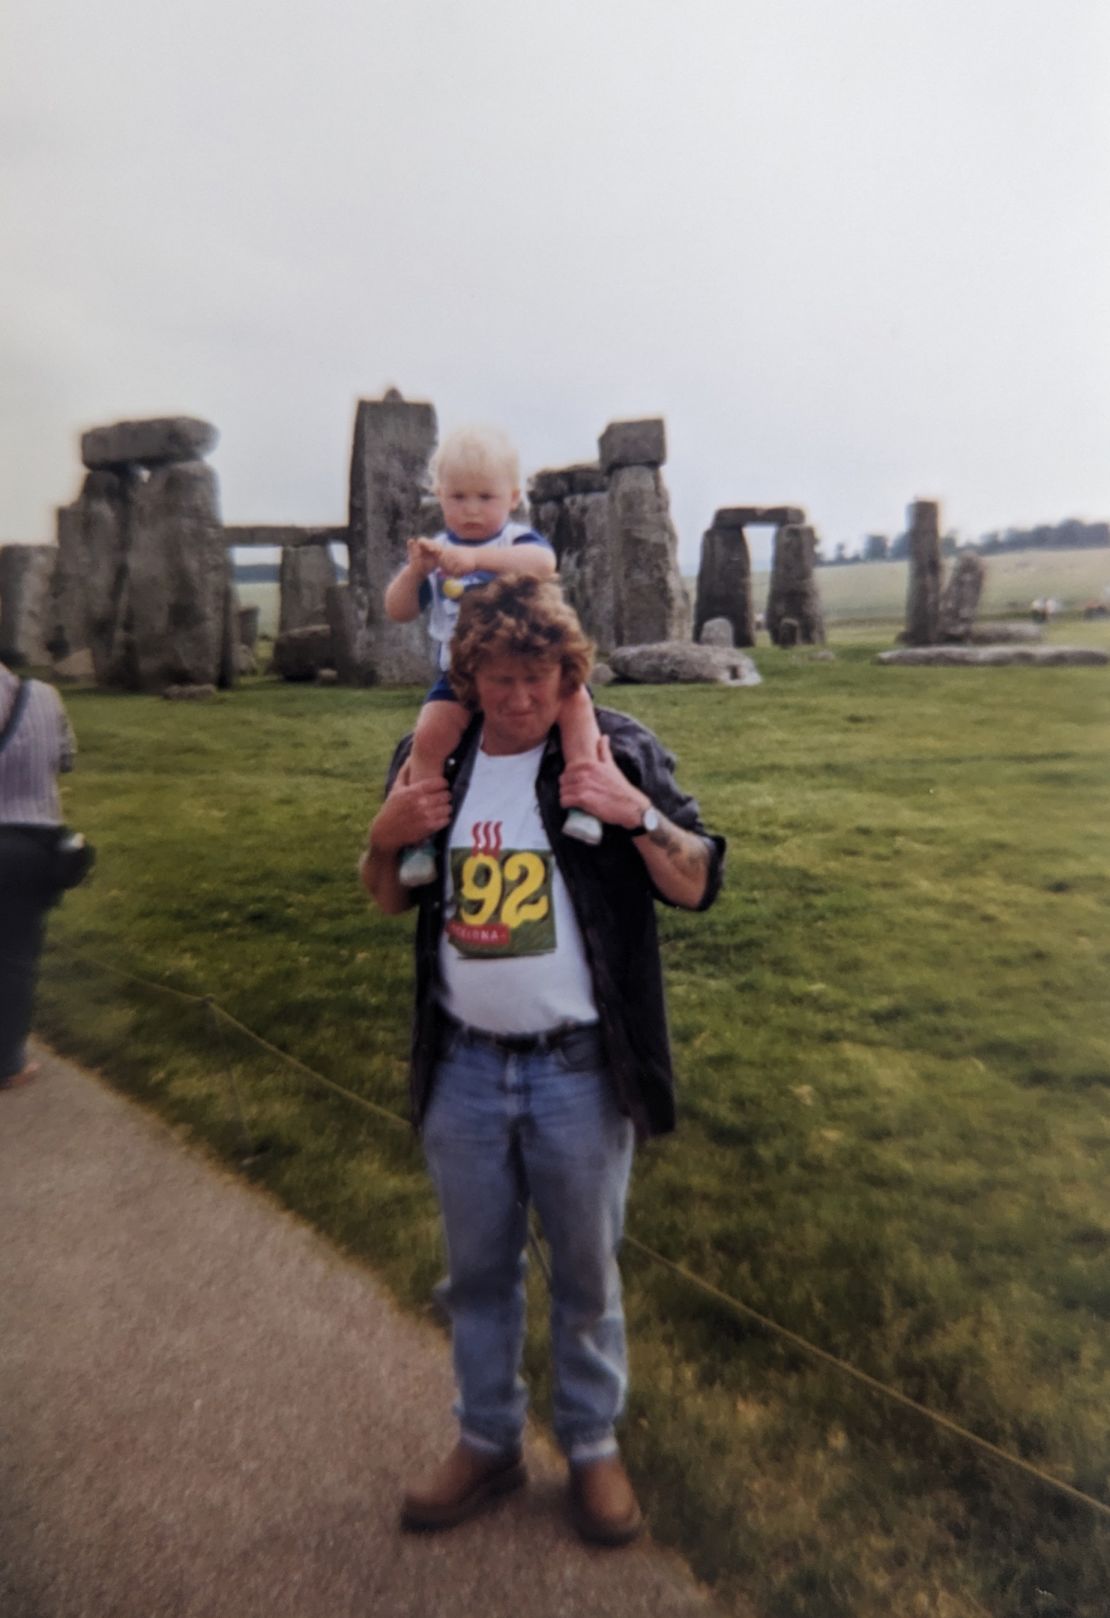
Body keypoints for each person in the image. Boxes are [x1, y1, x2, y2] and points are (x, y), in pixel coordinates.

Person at [360, 576, 725, 1546]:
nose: (519, 697)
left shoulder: (617, 750)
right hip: (465, 1068)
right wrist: (380, 839)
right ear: (468, 675)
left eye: (539, 676)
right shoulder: (435, 758)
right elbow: (393, 897)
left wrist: (635, 813)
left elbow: (699, 884)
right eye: (498, 676)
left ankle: (592, 1442)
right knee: (476, 1272)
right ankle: (487, 1439)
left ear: (570, 675)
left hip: (578, 1070)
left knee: (586, 1272)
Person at [383, 424, 602, 887]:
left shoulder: (514, 543)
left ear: (512, 497)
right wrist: (416, 572)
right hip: (459, 676)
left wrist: (478, 561)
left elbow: (544, 565)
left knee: (577, 706)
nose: (472, 509)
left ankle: (587, 797)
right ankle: (420, 838)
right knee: (429, 737)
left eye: (486, 497)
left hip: (528, 668)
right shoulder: (435, 552)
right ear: (439, 495)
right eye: (458, 497)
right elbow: (398, 610)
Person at [0, 659, 77, 1090]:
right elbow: (66, 759)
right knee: (15, 957)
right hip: (33, 843)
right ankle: (7, 1062)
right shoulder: (47, 696)